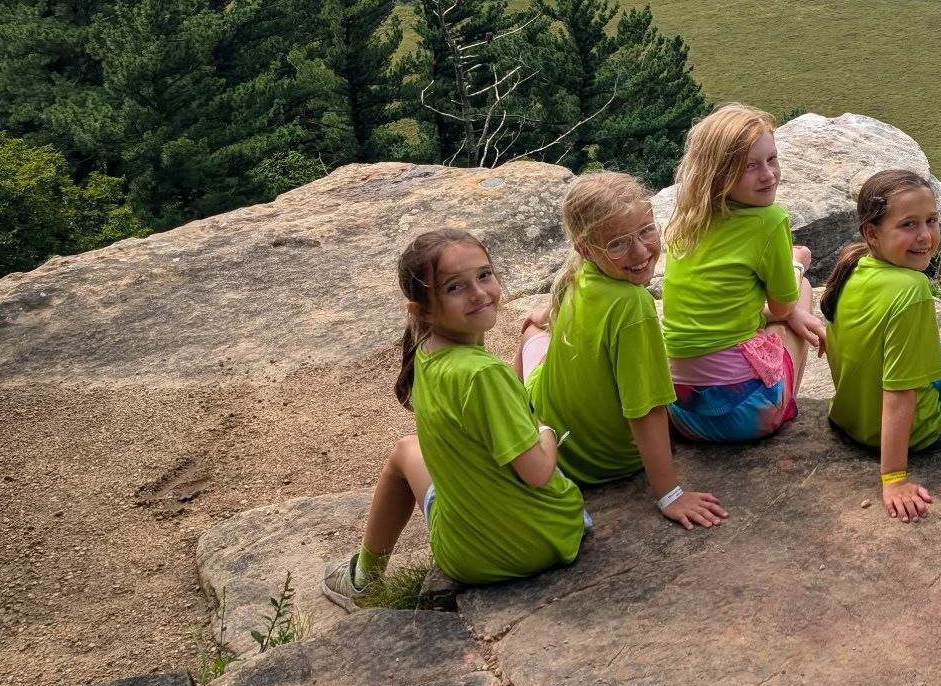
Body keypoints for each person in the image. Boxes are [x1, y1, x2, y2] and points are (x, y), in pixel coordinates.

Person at [323, 229, 587, 605]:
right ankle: (363, 579)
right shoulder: (481, 374)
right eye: (454, 288)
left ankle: (364, 577)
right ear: (423, 309)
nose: (479, 293)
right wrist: (545, 430)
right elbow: (538, 472)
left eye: (484, 275)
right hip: (543, 541)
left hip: (468, 556)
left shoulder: (427, 355)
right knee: (413, 451)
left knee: (404, 451)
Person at [517, 171, 726, 528]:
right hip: (603, 463)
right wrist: (669, 493)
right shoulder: (633, 306)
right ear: (584, 249)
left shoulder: (579, 274)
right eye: (617, 243)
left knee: (533, 327)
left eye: (646, 230)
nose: (641, 251)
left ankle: (521, 417)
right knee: (537, 327)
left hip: (561, 443)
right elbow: (645, 409)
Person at [819, 169, 941, 521]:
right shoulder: (912, 290)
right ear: (872, 233)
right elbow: (899, 391)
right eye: (908, 225)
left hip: (853, 418)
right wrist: (893, 479)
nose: (926, 236)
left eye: (931, 220)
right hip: (918, 427)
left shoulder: (855, 266)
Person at [660, 104, 825, 442]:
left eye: (771, 159)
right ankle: (784, 401)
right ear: (719, 173)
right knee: (801, 290)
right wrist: (797, 264)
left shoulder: (688, 220)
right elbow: (780, 310)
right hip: (747, 417)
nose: (768, 174)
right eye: (750, 166)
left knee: (783, 309)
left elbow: (727, 305)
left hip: (681, 412)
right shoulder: (770, 221)